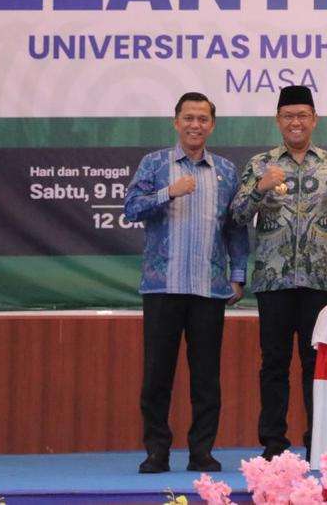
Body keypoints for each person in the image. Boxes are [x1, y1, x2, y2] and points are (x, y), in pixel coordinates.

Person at [230, 85, 327, 461]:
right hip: (274, 280)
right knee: (274, 364)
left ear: (314, 120)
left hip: (321, 281)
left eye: (302, 115)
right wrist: (260, 189)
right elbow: (236, 216)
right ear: (278, 120)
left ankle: (319, 440)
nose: (296, 122)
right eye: (288, 116)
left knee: (317, 364)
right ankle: (273, 444)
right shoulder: (260, 164)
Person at [124, 91, 247, 474]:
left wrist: (238, 274)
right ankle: (157, 452)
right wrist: (168, 192)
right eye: (189, 118)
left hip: (209, 289)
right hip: (162, 288)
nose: (196, 125)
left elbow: (235, 227)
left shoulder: (226, 170)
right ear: (176, 122)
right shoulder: (154, 163)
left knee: (206, 379)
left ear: (212, 125)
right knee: (157, 376)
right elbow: (131, 209)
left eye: (203, 119)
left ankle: (201, 453)